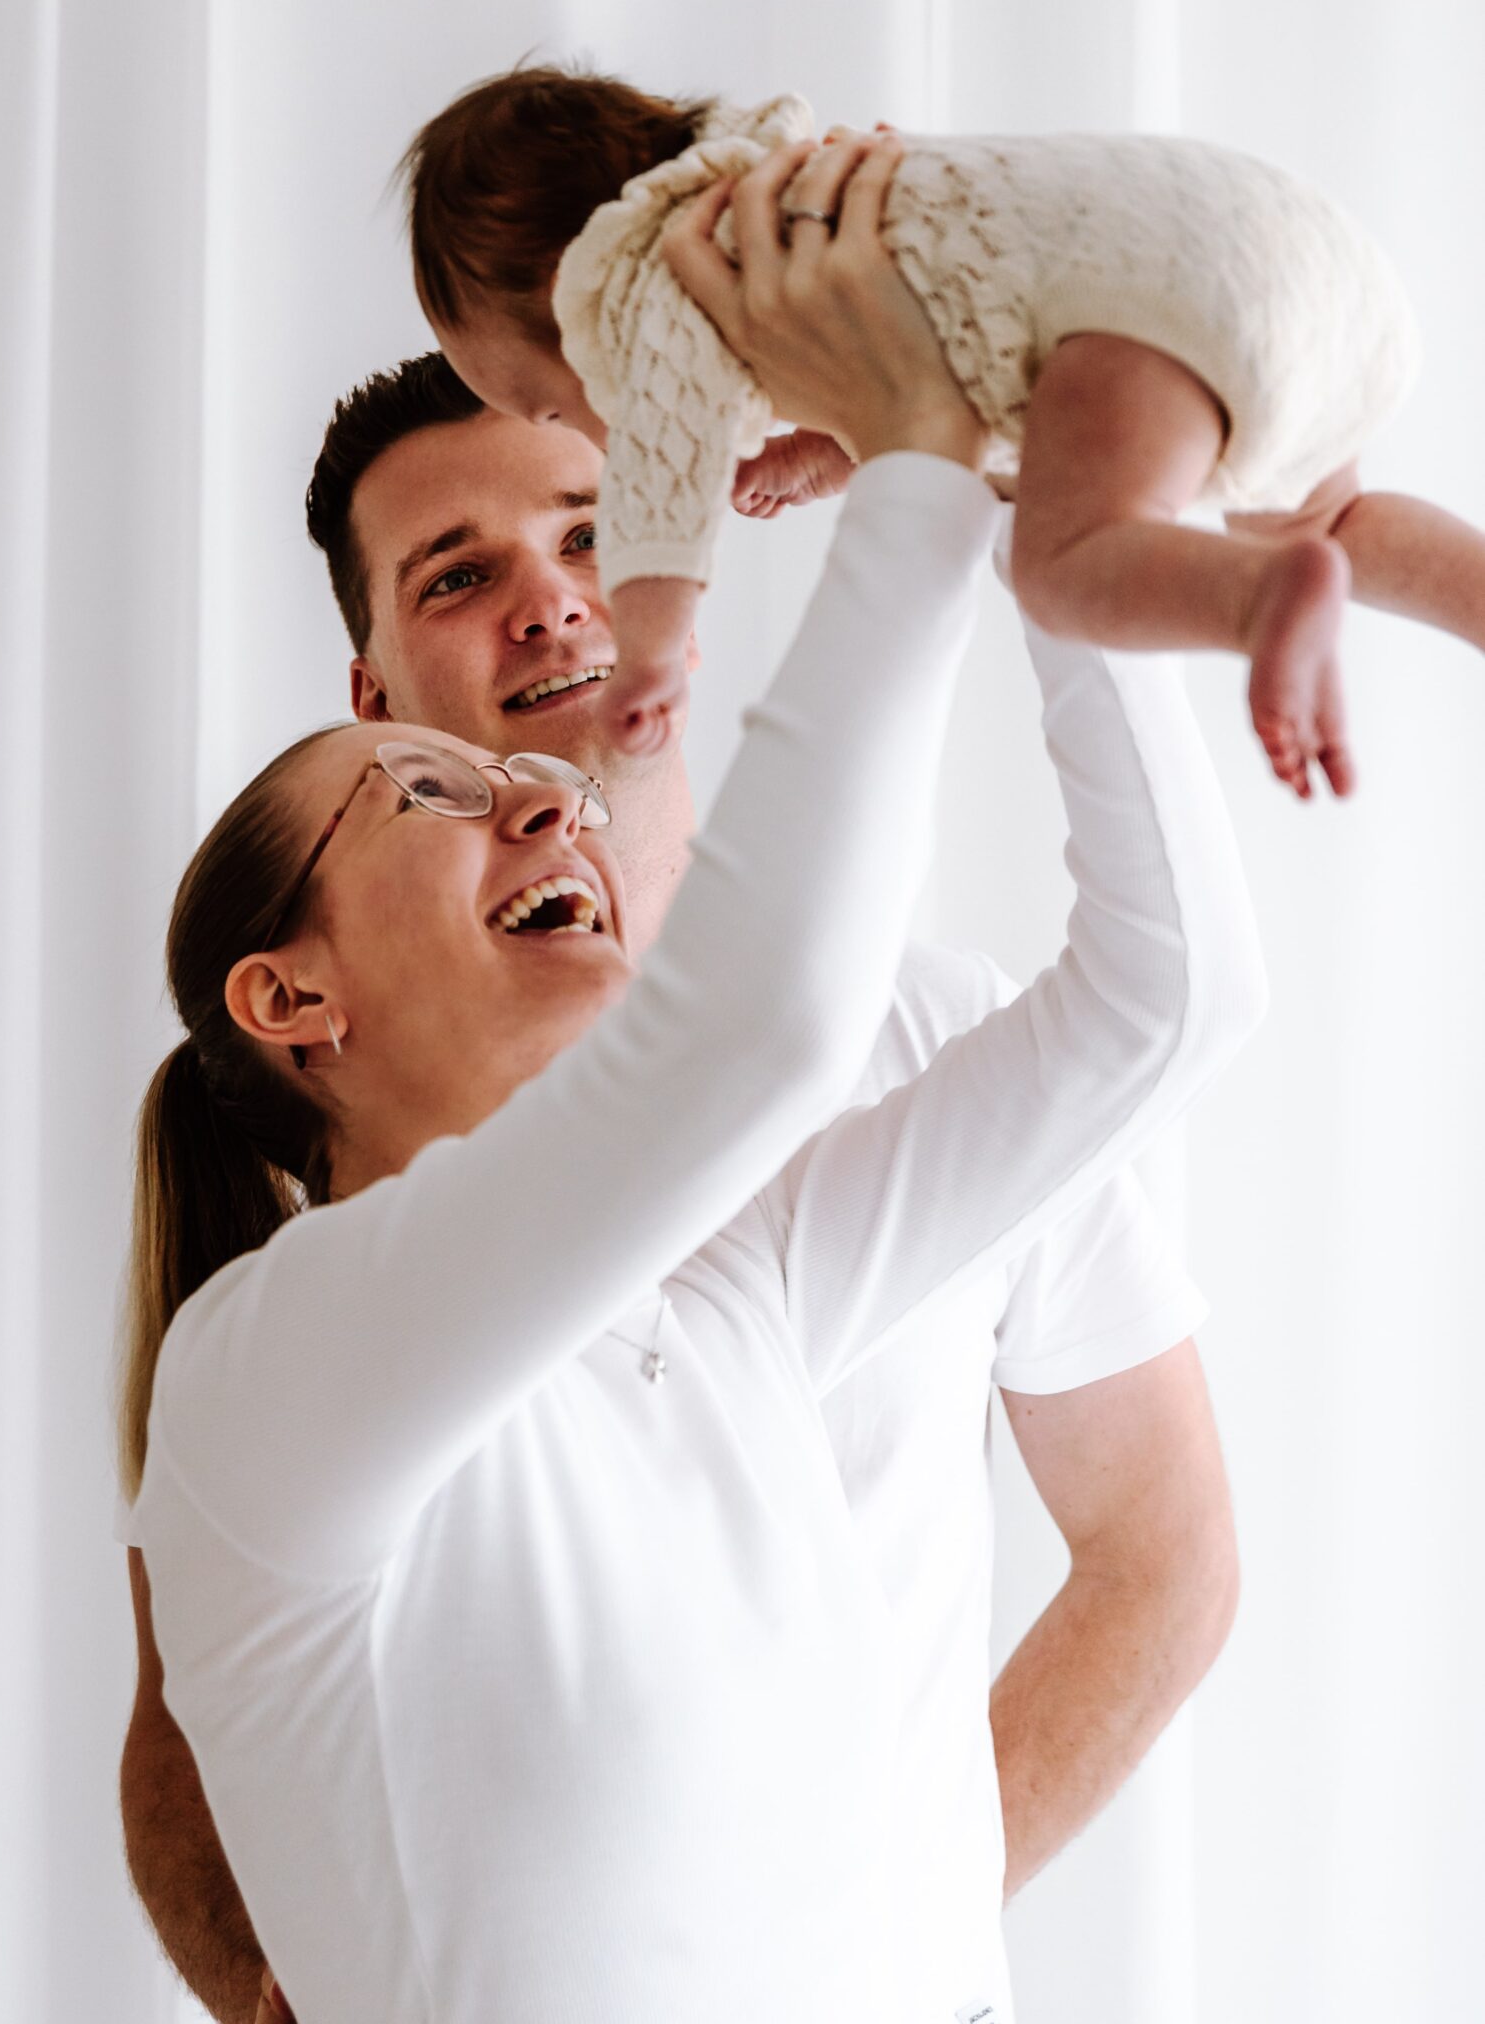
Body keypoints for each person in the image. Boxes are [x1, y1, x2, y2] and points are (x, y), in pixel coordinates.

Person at [120, 146, 1266, 2023]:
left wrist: (1034, 485)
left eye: (587, 536)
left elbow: (1172, 1000)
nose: (531, 781)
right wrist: (906, 445)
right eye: (420, 784)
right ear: (288, 995)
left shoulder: (729, 1309)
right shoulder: (260, 1361)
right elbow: (755, 1040)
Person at [402, 66, 1485, 796]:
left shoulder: (652, 275)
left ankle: (1262, 598)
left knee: (1068, 562)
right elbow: (936, 347)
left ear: (571, 293)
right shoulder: (783, 170)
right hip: (1303, 259)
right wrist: (814, 456)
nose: (584, 435)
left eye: (550, 404)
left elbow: (663, 473)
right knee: (1333, 510)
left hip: (1144, 317)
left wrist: (648, 652)